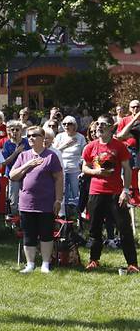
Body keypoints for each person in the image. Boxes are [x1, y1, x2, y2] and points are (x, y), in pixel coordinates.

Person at [81, 115, 138, 273]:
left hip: (116, 193)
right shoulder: (90, 146)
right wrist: (95, 171)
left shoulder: (119, 146)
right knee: (94, 229)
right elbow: (84, 167)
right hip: (96, 192)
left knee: (124, 228)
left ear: (111, 127)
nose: (99, 127)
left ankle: (132, 264)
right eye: (97, 124)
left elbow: (127, 169)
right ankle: (94, 260)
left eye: (103, 124)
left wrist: (126, 190)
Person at [10, 126, 63, 274]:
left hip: (46, 202)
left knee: (46, 233)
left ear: (42, 138)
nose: (31, 138)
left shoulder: (51, 156)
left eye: (34, 135)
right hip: (27, 203)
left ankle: (45, 264)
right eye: (29, 136)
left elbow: (59, 178)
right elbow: (13, 176)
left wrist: (58, 200)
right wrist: (27, 165)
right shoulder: (23, 156)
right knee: (29, 234)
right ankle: (30, 264)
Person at [52, 116, 86, 218]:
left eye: (69, 124)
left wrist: (82, 166)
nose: (66, 126)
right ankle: (63, 215)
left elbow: (84, 153)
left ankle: (77, 215)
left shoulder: (80, 137)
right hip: (61, 169)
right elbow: (53, 151)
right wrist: (65, 145)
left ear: (74, 125)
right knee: (63, 193)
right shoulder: (59, 137)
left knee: (76, 193)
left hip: (75, 169)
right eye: (64, 124)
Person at [1, 121, 28, 216]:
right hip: (13, 175)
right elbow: (5, 162)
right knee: (13, 200)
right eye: (12, 130)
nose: (15, 132)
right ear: (9, 131)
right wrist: (16, 152)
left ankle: (24, 219)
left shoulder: (26, 142)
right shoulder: (7, 144)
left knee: (25, 198)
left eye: (17, 129)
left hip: (26, 174)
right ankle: (14, 221)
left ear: (21, 131)